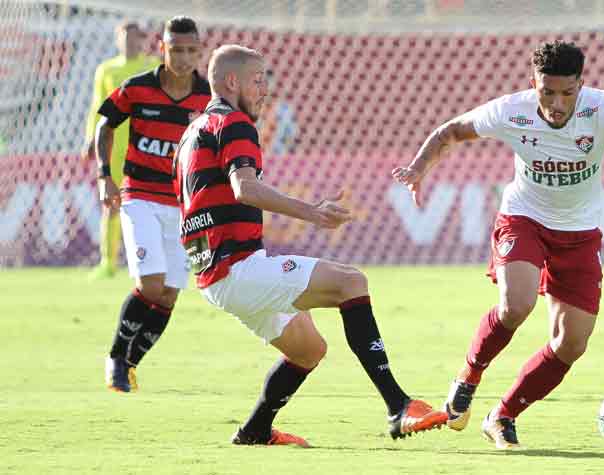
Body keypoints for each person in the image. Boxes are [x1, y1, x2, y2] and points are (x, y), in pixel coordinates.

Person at [392, 40, 604, 449]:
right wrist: (420, 168)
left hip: (580, 232)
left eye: (567, 93)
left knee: (571, 342)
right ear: (534, 84)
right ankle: (468, 377)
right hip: (523, 217)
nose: (557, 103)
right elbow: (450, 132)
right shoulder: (513, 109)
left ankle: (502, 415)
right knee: (517, 304)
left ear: (581, 84)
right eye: (547, 92)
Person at [173, 44, 447, 446]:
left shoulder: (193, 131)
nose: (265, 88)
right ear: (232, 82)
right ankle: (398, 406)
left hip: (213, 273)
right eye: (258, 79)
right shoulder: (234, 122)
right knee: (351, 282)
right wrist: (313, 213)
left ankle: (255, 431)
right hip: (237, 268)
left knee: (308, 349)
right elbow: (243, 187)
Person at [96, 16, 210, 392]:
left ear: (199, 51)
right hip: (140, 197)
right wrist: (104, 176)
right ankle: (115, 358)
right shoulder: (139, 89)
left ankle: (129, 366)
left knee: (170, 294)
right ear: (162, 49)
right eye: (176, 49)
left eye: (191, 50)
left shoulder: (207, 98)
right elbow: (106, 125)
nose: (183, 57)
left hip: (185, 207)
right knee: (151, 284)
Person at [83, 21, 159, 280]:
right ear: (118, 40)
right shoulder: (106, 69)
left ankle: (167, 258)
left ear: (142, 40)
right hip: (114, 147)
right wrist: (90, 138)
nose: (130, 43)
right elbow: (98, 106)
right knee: (111, 202)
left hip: (148, 146)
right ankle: (108, 262)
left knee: (160, 202)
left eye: (135, 38)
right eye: (125, 38)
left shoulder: (153, 66)